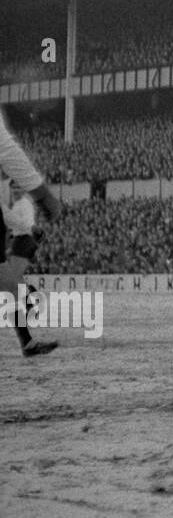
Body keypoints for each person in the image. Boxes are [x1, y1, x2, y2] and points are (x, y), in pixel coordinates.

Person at [0, 106, 63, 358]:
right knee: (10, 281)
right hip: (21, 236)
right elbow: (6, 149)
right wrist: (44, 195)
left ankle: (27, 342)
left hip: (20, 237)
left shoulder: (13, 196)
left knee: (9, 282)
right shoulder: (16, 197)